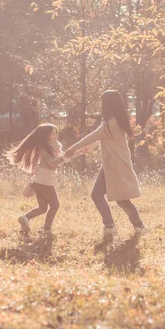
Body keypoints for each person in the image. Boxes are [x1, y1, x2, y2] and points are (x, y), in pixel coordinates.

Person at [64, 90, 145, 237]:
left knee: (104, 196)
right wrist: (88, 148)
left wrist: (72, 148)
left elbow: (94, 135)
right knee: (119, 199)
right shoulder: (116, 121)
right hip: (113, 164)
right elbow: (102, 138)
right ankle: (133, 226)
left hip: (115, 164)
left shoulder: (111, 123)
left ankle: (113, 226)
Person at [6, 123, 67, 236]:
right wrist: (64, 157)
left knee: (43, 208)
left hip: (38, 181)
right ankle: (47, 229)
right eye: (52, 133)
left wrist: (76, 152)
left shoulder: (52, 147)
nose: (55, 135)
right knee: (55, 205)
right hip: (45, 181)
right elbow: (52, 164)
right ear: (45, 135)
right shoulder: (46, 148)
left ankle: (25, 218)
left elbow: (63, 157)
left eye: (56, 133)